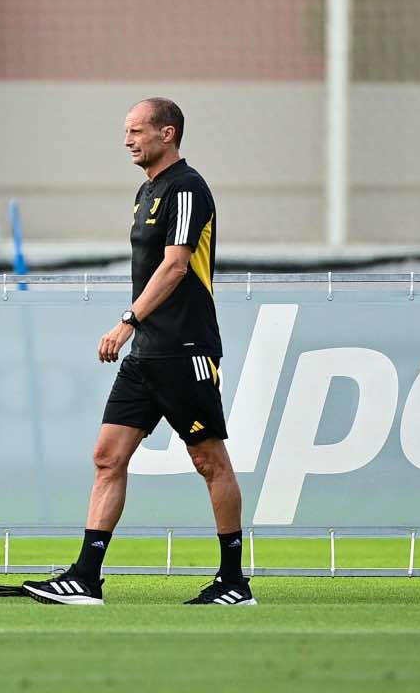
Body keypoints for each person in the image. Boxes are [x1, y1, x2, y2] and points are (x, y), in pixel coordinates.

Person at [23, 98, 254, 606]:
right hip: (148, 352)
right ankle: (86, 578)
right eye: (125, 131)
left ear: (166, 133)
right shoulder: (146, 190)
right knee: (108, 457)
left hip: (185, 348)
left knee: (208, 459)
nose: (128, 140)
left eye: (136, 131)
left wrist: (127, 321)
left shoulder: (188, 187)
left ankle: (234, 582)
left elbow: (175, 266)